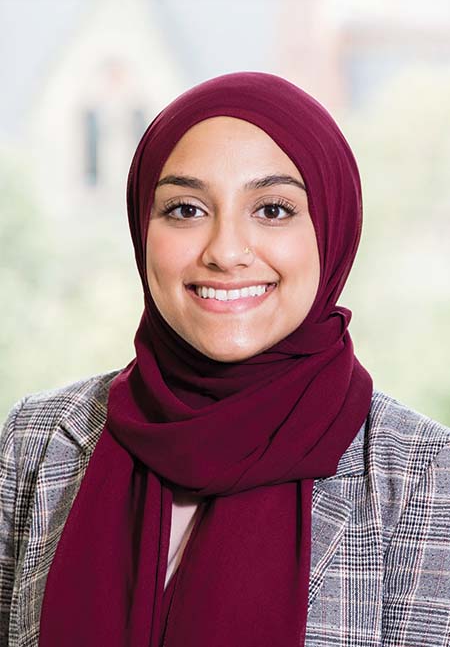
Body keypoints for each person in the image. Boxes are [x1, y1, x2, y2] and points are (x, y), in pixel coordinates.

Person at [1, 72, 449, 647]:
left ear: (333, 228)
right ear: (144, 229)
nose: (226, 252)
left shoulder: (422, 477)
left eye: (272, 209)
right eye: (186, 209)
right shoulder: (36, 442)